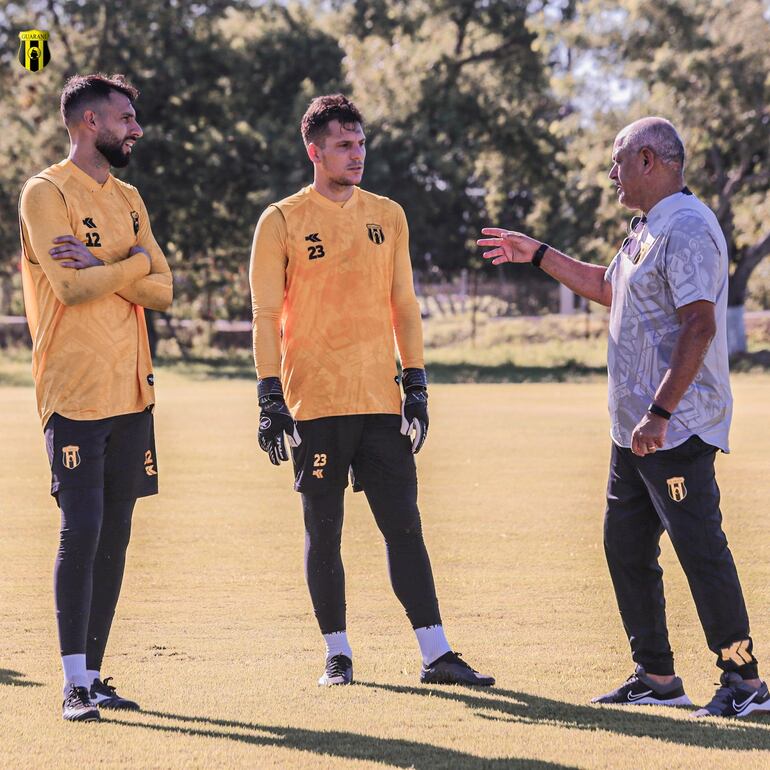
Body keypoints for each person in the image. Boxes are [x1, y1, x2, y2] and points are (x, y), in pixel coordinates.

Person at [478, 117, 769, 718]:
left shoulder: (687, 227)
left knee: (700, 549)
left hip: (674, 425)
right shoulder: (647, 228)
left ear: (647, 160)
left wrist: (660, 412)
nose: (611, 174)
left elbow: (700, 324)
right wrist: (537, 254)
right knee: (625, 547)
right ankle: (658, 676)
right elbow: (608, 288)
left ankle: (745, 683)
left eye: (617, 162)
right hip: (633, 432)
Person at [249, 94, 493, 688]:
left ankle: (436, 654)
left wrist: (417, 383)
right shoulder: (280, 220)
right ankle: (338, 652)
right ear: (315, 151)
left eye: (360, 144)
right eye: (343, 145)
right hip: (316, 404)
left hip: (382, 402)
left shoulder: (389, 213)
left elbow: (404, 306)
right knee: (324, 531)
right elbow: (264, 314)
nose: (356, 155)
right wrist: (269, 397)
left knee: (404, 527)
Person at [19, 73, 173, 721]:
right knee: (80, 531)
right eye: (125, 117)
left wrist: (123, 265)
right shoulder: (45, 192)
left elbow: (165, 289)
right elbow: (72, 289)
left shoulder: (131, 196)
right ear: (88, 122)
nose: (136, 128)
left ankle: (94, 674)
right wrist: (136, 263)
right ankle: (72, 685)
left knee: (115, 535)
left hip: (131, 392)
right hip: (74, 391)